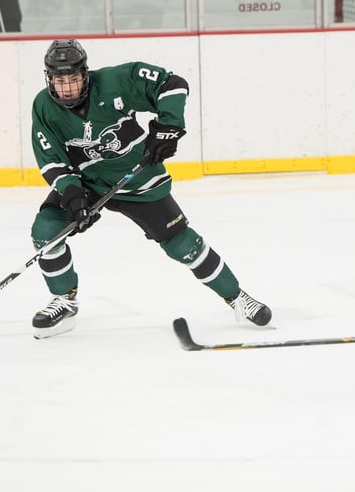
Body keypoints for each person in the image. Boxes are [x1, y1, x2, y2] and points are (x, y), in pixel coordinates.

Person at [28, 39, 272, 339]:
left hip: (137, 180)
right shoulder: (43, 107)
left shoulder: (115, 81)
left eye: (74, 79)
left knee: (183, 245)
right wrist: (73, 196)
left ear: (85, 74)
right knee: (46, 230)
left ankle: (237, 298)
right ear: (49, 78)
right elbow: (51, 161)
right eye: (60, 80)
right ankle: (65, 300)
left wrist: (168, 126)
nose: (67, 88)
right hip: (88, 182)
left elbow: (172, 84)